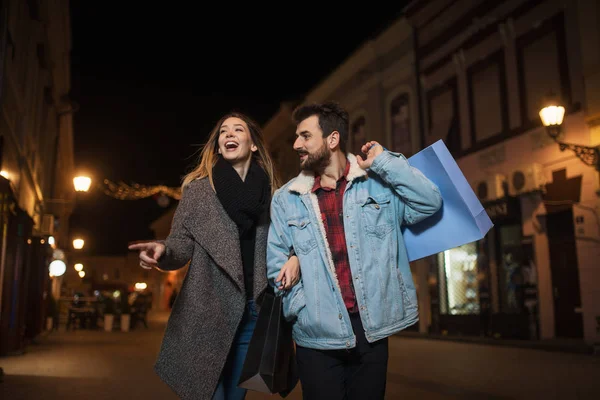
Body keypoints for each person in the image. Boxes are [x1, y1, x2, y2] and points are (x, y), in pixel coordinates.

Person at [266, 101, 443, 400]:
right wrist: (303, 310)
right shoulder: (286, 199)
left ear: (332, 139)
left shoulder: (378, 186)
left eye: (305, 136)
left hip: (370, 333)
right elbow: (275, 267)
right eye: (296, 137)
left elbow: (429, 202)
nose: (297, 144)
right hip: (316, 338)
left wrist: (384, 161)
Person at [129, 112, 301, 400]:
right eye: (223, 132)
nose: (229, 135)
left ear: (254, 144)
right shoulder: (197, 192)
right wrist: (163, 251)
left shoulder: (274, 195)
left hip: (253, 312)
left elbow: (291, 241)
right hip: (208, 309)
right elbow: (180, 245)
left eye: (238, 130)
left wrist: (295, 257)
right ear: (218, 145)